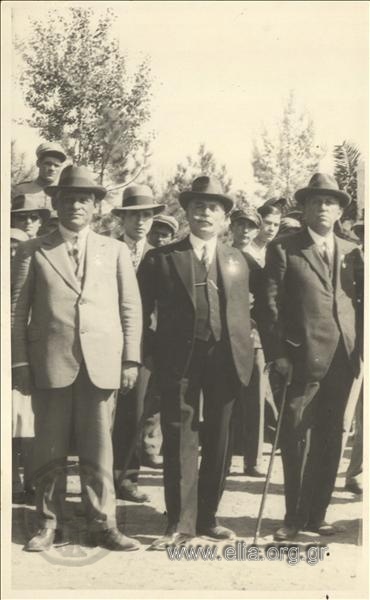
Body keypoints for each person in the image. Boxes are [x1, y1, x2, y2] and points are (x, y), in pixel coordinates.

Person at [11, 165, 142, 552]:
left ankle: (103, 524)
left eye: (84, 199)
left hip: (101, 364)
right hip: (50, 364)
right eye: (68, 198)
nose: (76, 205)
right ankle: (48, 523)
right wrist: (19, 363)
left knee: (99, 447)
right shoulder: (33, 250)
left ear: (96, 206)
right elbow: (17, 312)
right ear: (56, 203)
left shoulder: (115, 250)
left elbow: (130, 308)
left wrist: (130, 359)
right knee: (48, 449)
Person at [138, 175, 254, 549]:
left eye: (214, 207)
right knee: (179, 440)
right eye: (198, 206)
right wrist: (152, 352)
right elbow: (139, 312)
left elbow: (259, 310)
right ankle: (180, 523)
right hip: (179, 362)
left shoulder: (240, 260)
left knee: (220, 440)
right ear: (186, 212)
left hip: (227, 360)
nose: (205, 213)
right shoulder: (162, 258)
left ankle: (207, 518)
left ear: (225, 218)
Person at [257, 173, 363, 541]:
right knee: (296, 438)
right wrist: (279, 355)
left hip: (343, 360)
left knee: (332, 438)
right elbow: (269, 307)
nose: (323, 208)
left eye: (330, 202)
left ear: (339, 211)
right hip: (300, 360)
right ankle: (294, 517)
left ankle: (317, 515)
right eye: (316, 201)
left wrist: (360, 348)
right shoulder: (284, 248)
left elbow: (359, 304)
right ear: (304, 208)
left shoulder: (352, 251)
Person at [110, 185, 165, 502]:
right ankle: (99, 477)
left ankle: (126, 478)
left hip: (143, 344)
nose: (141, 222)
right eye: (134, 216)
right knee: (102, 414)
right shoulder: (107, 249)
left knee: (135, 411)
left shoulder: (159, 256)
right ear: (123, 219)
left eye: (146, 216)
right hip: (105, 340)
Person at [12, 142, 67, 210]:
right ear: (38, 163)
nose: (52, 169)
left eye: (56, 166)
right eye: (48, 164)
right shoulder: (21, 190)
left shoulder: (63, 193)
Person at [247, 199, 283, 267]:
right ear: (258, 222)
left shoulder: (274, 254)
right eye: (268, 223)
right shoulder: (244, 249)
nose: (272, 229)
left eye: (276, 225)